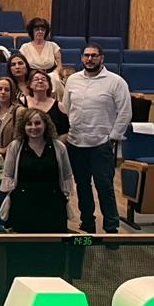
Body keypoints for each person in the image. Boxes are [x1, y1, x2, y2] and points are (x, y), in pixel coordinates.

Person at [61, 43, 131, 236]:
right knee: (82, 186)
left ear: (102, 58)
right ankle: (87, 224)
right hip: (76, 142)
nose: (89, 59)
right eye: (86, 56)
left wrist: (113, 137)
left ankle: (111, 227)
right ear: (82, 58)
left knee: (104, 186)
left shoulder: (116, 82)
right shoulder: (72, 80)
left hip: (101, 144)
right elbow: (66, 108)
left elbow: (125, 112)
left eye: (94, 56)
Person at [0, 109, 75, 233]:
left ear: (45, 124)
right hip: (23, 206)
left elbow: (67, 175)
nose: (33, 127)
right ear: (23, 127)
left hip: (53, 206)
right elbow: (8, 175)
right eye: (29, 124)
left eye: (37, 123)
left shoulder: (59, 147)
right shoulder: (15, 147)